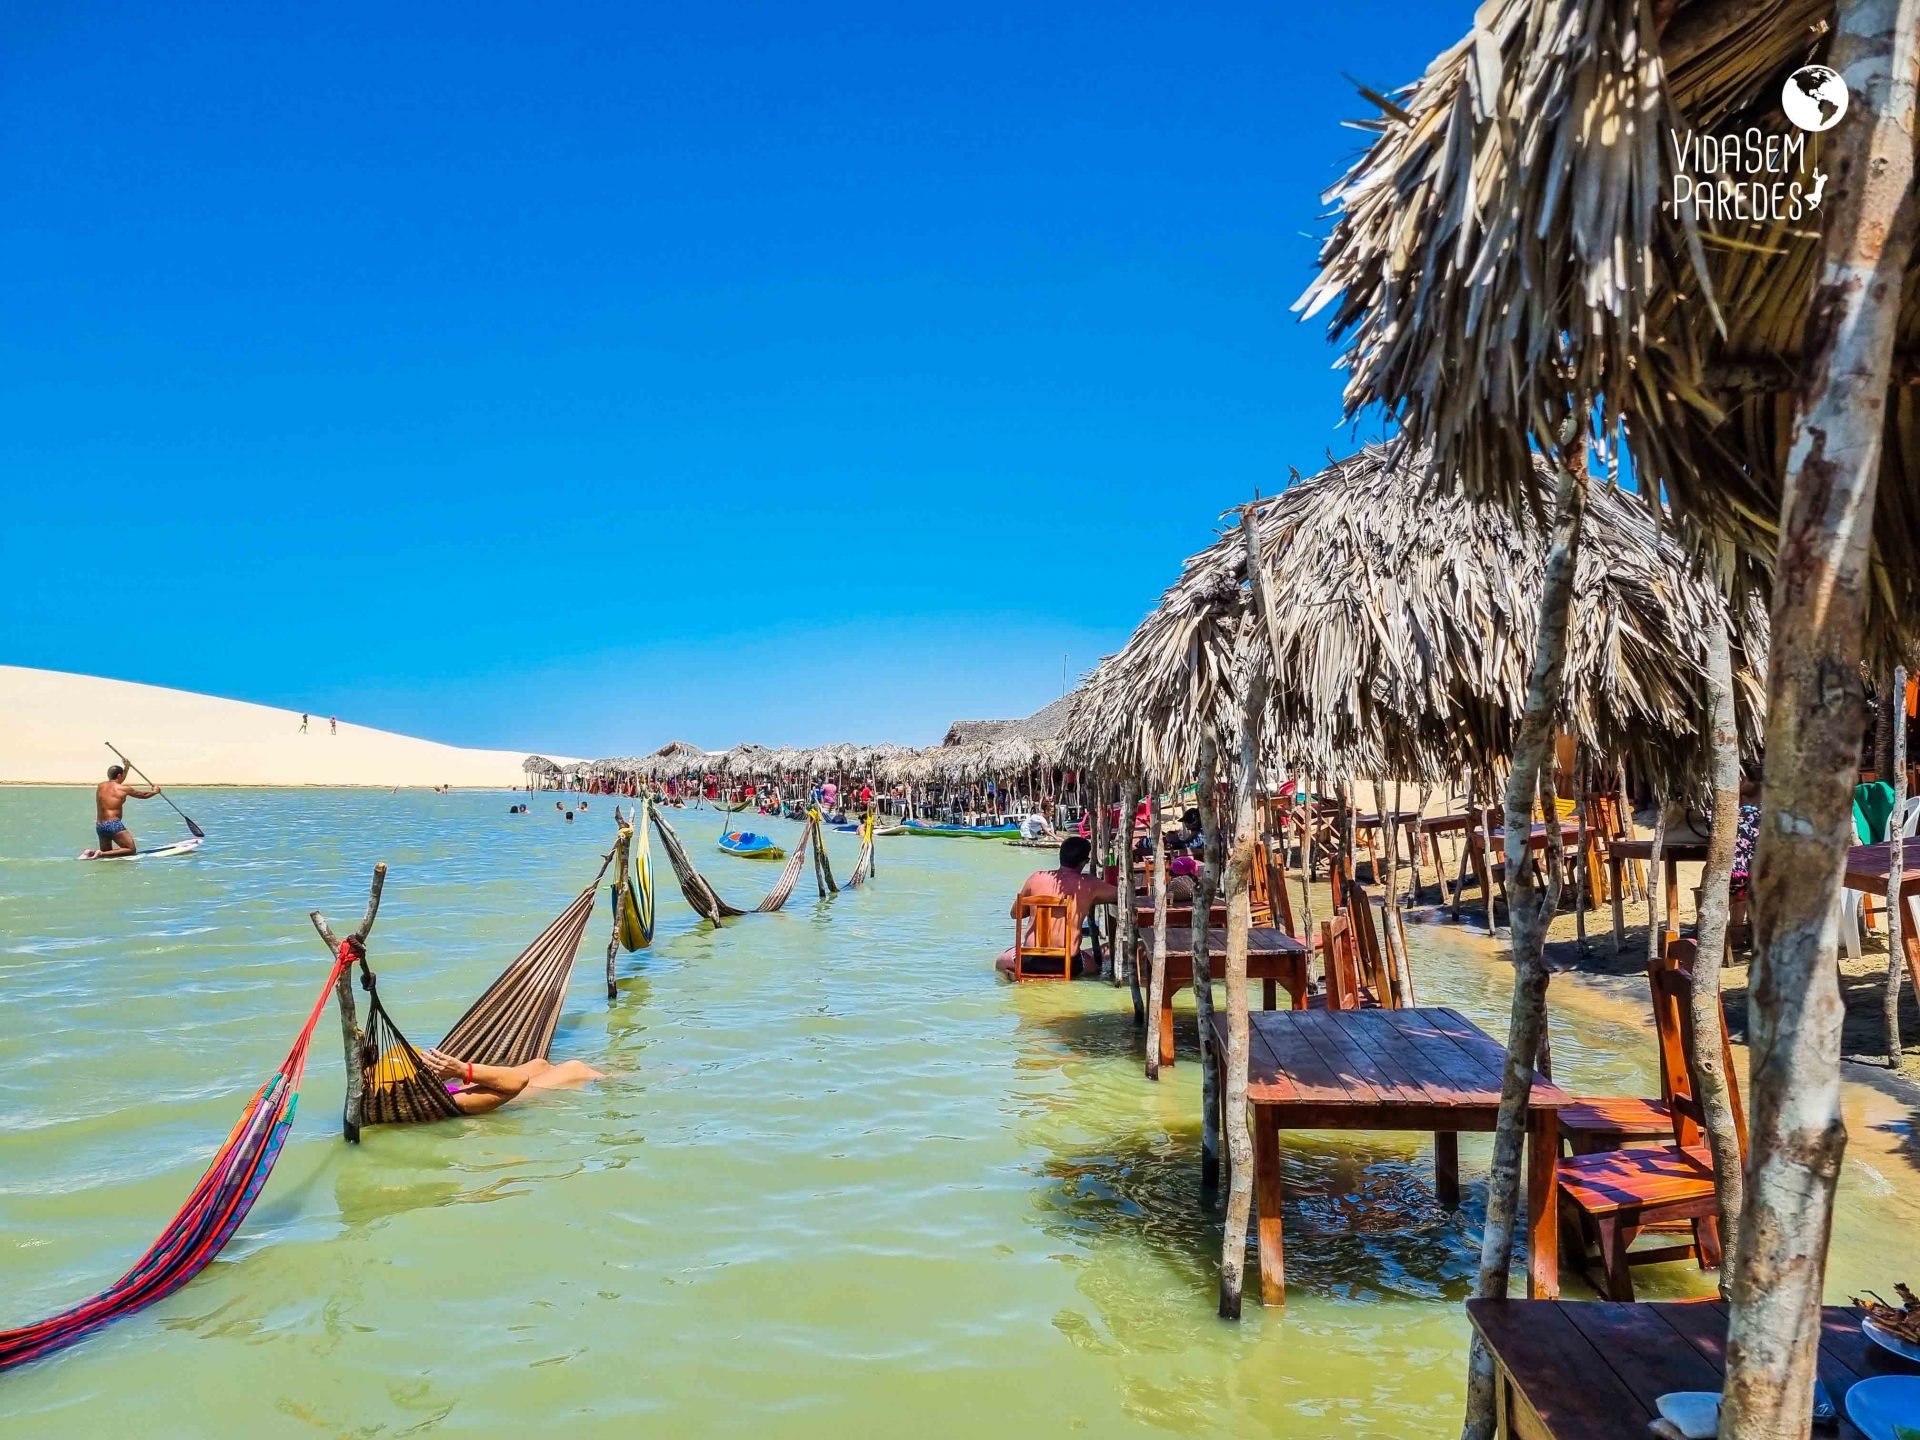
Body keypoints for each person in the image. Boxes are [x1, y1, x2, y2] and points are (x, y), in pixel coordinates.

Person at [996, 836, 1118, 978]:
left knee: (1000, 962)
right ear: (1084, 862)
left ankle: (1019, 976)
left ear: (1060, 856)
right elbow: (1119, 895)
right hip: (1068, 963)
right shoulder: (1089, 884)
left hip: (1030, 961)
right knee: (1095, 966)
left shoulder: (1036, 878)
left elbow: (1015, 914)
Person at [413, 1047, 604, 1116]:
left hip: (480, 1086)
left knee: (539, 1063)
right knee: (575, 1068)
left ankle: (613, 1070)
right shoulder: (450, 1102)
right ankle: (621, 1077)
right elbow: (518, 1081)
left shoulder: (406, 1096)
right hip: (521, 1091)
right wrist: (461, 1069)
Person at [89, 764, 161, 858]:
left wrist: (126, 768)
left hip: (100, 825)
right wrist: (155, 791)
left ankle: (91, 853)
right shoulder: (124, 789)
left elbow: (118, 781)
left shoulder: (101, 786)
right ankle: (100, 853)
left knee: (108, 855)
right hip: (113, 824)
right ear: (119, 775)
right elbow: (143, 795)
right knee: (131, 849)